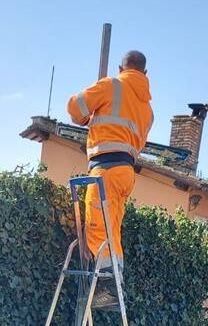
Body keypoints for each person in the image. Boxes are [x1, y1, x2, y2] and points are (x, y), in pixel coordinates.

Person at [66, 50, 154, 308]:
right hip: (126, 173)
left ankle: (107, 290)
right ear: (145, 73)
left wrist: (89, 115)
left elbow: (75, 108)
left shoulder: (111, 85)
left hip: (104, 169)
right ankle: (116, 285)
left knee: (97, 228)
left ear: (120, 67)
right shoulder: (147, 109)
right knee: (112, 230)